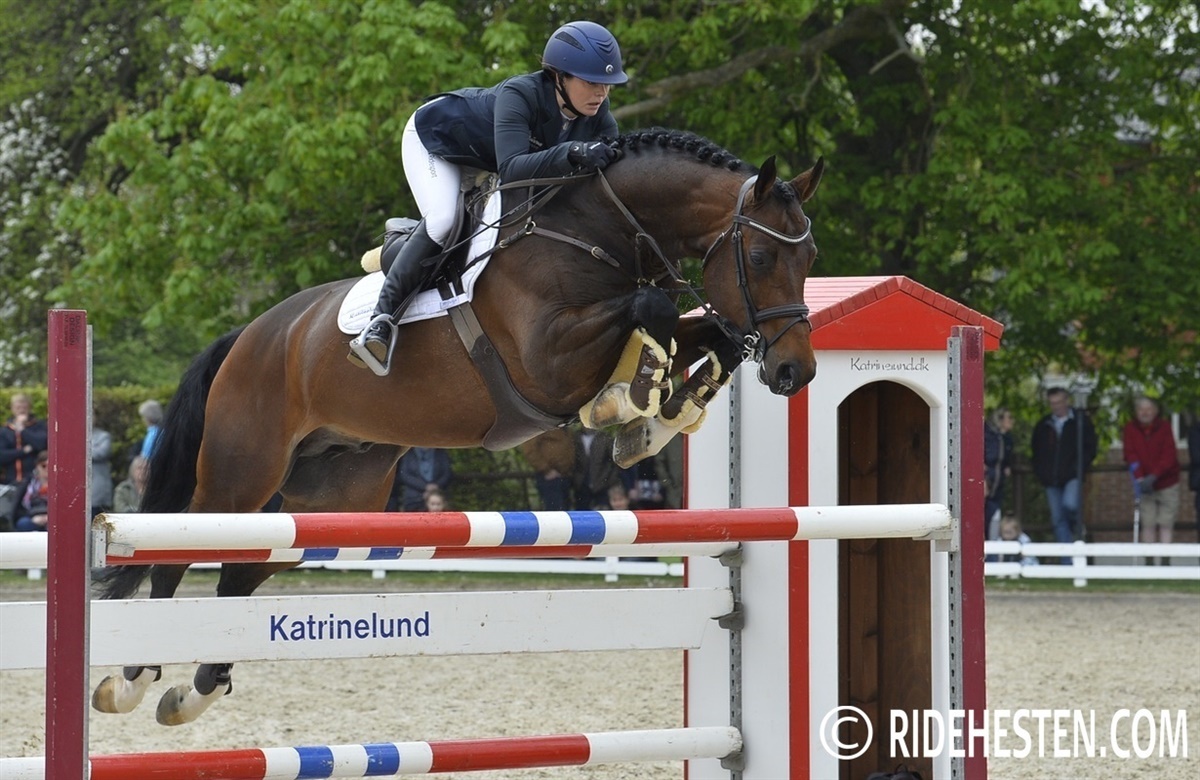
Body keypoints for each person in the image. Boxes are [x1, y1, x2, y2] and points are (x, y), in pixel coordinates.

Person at [349, 21, 628, 374]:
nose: (601, 93)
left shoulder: (598, 115)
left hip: (486, 160)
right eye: (591, 82)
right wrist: (573, 152)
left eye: (606, 84)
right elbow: (512, 169)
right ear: (559, 77)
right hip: (437, 144)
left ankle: (407, 244)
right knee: (444, 221)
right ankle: (381, 321)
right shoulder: (521, 94)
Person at [1030, 386, 1097, 560]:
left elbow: (1090, 447)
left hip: (1072, 474)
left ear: (1067, 401)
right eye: (1053, 403)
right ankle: (1067, 560)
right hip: (1050, 478)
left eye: (1059, 402)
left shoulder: (1080, 422)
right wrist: (1041, 472)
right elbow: (1036, 450)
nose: (1056, 406)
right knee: (1058, 519)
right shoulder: (1044, 425)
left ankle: (1078, 530)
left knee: (1071, 505)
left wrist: (1079, 467)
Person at [1123, 397, 1181, 552]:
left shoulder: (1165, 427)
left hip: (1167, 482)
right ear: (1136, 412)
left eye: (1148, 409)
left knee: (1166, 522)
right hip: (1143, 484)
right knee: (1148, 522)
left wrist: (1154, 475)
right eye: (1141, 409)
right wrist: (1140, 478)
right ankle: (1148, 560)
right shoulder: (1130, 429)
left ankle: (1165, 559)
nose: (1145, 412)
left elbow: (1169, 455)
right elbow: (1130, 454)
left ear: (1155, 411)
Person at [521, 428, 576, 511]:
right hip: (549, 477)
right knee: (555, 511)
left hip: (565, 476)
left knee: (565, 511)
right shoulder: (541, 424)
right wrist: (546, 469)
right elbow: (529, 450)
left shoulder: (565, 426)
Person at [1, 392, 49, 486]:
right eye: (18, 407)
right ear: (12, 409)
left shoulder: (38, 426)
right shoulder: (5, 430)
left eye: (24, 407)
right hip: (10, 481)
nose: (21, 410)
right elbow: (2, 456)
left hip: (34, 481)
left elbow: (42, 444)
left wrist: (22, 430)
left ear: (29, 408)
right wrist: (24, 451)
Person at [983, 408, 1015, 540]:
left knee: (994, 515)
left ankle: (991, 544)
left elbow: (1006, 457)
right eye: (1009, 418)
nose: (1012, 421)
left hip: (998, 483)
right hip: (987, 478)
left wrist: (1007, 466)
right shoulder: (988, 434)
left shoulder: (1007, 438)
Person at [573, 427, 621, 511]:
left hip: (602, 483)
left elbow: (615, 461)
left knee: (603, 511)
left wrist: (610, 479)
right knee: (582, 512)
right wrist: (575, 479)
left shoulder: (604, 437)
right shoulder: (575, 437)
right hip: (581, 484)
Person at [397, 447, 453, 511]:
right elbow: (404, 475)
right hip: (413, 498)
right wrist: (425, 487)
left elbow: (447, 473)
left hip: (438, 493)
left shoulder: (441, 453)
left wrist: (435, 487)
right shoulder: (409, 454)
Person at [14, 451, 50, 531]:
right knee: (23, 523)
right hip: (33, 516)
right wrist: (34, 517)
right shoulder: (29, 483)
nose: (47, 469)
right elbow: (21, 506)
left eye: (50, 466)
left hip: (55, 519)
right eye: (44, 466)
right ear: (37, 466)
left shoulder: (61, 485)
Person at [91, 416, 114, 518]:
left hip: (97, 488)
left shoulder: (103, 436)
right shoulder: (73, 436)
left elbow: (102, 453)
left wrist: (79, 450)